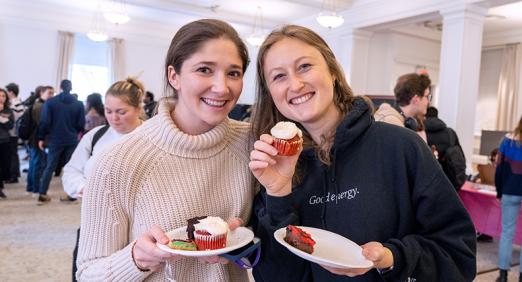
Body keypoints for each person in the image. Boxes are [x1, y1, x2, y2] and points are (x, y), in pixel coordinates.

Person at [248, 25, 476, 281]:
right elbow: (276, 276)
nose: (296, 84)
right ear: (270, 94)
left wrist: (392, 258)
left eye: (304, 67)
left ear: (333, 71)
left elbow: (458, 254)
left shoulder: (401, 147)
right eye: (279, 76)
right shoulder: (274, 165)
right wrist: (279, 194)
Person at [76, 19, 254, 281]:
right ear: (174, 76)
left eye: (234, 73)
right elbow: (89, 273)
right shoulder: (118, 160)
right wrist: (137, 258)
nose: (221, 87)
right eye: (204, 69)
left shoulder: (252, 144)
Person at [62, 78, 145, 281]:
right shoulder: (95, 136)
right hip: (94, 227)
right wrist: (82, 188)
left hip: (137, 231)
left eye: (121, 112)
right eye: (108, 111)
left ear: (138, 108)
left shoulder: (152, 137)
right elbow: (71, 171)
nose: (113, 118)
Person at [37, 79, 85, 205]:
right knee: (72, 168)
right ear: (71, 88)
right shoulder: (79, 104)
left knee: (50, 166)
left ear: (60, 87)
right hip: (71, 139)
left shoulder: (50, 102)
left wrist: (41, 137)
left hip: (55, 139)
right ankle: (72, 194)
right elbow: (81, 125)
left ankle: (42, 193)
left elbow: (45, 122)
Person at [495, 116, 522, 282]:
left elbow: (499, 169)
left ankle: (503, 275)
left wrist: (499, 191)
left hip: (509, 191)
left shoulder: (507, 141)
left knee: (507, 232)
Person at [374, 72, 432, 142]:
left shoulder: (395, 120)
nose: (428, 102)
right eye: (427, 96)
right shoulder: (393, 126)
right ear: (416, 99)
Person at [425, 106, 467, 190]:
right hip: (447, 181)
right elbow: (460, 156)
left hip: (427, 180)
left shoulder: (419, 133)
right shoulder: (450, 133)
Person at [26, 86, 54, 196]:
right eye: (49, 93)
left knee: (34, 162)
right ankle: (36, 189)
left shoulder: (38, 105)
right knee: (37, 163)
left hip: (34, 137)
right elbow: (41, 124)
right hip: (37, 138)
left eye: (53, 93)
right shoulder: (41, 106)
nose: (51, 95)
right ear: (42, 93)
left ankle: (31, 187)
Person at [5, 82, 24, 183]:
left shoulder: (13, 103)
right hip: (15, 132)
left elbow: (13, 118)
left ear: (11, 92)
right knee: (14, 154)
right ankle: (15, 174)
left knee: (12, 154)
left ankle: (13, 176)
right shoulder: (19, 102)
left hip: (12, 132)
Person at [0, 88, 15, 198]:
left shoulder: (8, 111)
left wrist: (1, 116)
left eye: (3, 96)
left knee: (3, 166)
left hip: (4, 141)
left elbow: (10, 126)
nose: (1, 98)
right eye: (0, 95)